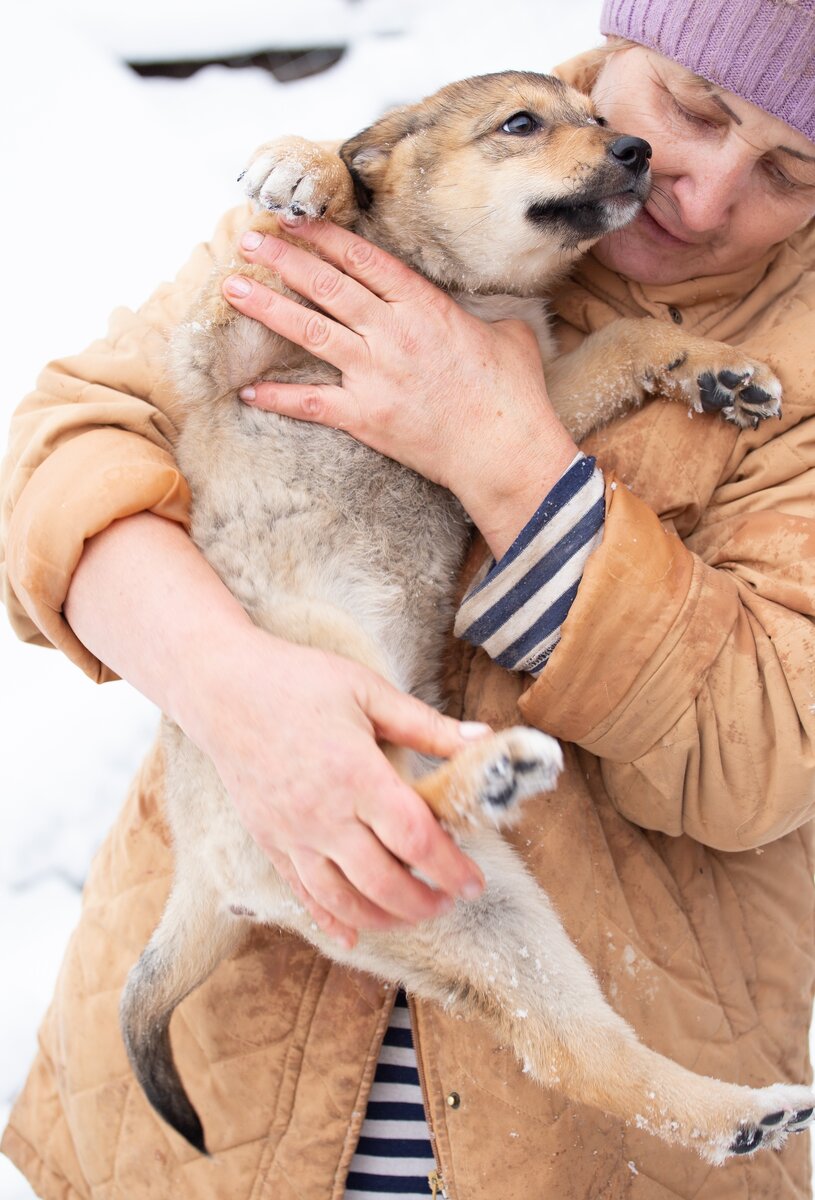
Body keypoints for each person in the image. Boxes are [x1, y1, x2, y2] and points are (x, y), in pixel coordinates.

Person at [2, 0, 815, 1195]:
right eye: (686, 111)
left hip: (589, 1149)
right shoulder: (365, 201)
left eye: (790, 173)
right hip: (237, 1112)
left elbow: (761, 751)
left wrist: (500, 448)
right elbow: (58, 455)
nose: (695, 198)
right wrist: (234, 688)